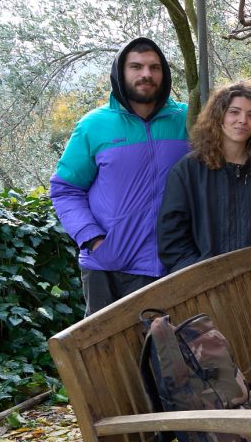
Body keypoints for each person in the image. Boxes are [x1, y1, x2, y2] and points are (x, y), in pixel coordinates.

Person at [51, 37, 189, 315]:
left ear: (164, 73)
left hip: (171, 264)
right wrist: (93, 239)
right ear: (120, 72)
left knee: (167, 355)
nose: (146, 74)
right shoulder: (94, 125)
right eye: (136, 67)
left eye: (154, 67)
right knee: (106, 355)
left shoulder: (188, 119)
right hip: (107, 268)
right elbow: (66, 189)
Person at [157, 81, 251, 273]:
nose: (242, 120)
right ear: (219, 115)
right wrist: (204, 275)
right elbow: (172, 241)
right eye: (234, 112)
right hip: (202, 287)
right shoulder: (188, 171)